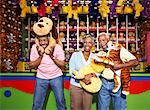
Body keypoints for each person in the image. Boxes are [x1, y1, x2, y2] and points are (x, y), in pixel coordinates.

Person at [97, 32, 138, 110]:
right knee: (102, 108)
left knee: (120, 108)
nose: (102, 43)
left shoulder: (118, 49)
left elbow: (135, 61)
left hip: (117, 83)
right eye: (100, 41)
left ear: (108, 40)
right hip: (103, 83)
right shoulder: (100, 53)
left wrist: (120, 66)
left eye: (103, 40)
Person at [28, 34, 66, 110]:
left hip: (56, 77)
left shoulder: (57, 47)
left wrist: (52, 56)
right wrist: (40, 56)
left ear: (49, 40)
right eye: (40, 41)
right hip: (41, 77)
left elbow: (63, 65)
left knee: (60, 100)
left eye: (44, 40)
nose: (42, 43)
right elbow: (31, 66)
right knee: (37, 103)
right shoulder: (35, 47)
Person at [69, 34, 95, 110]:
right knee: (75, 108)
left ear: (92, 44)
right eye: (85, 42)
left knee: (87, 108)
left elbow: (98, 71)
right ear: (83, 43)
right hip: (76, 86)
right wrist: (83, 79)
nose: (87, 44)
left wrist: (90, 75)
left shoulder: (94, 57)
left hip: (89, 86)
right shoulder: (75, 55)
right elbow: (71, 71)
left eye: (90, 42)